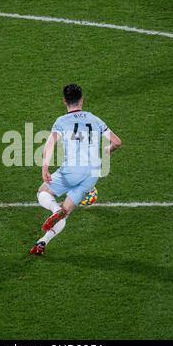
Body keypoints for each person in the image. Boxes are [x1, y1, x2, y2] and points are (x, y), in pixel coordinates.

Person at [30, 84, 122, 255]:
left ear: (64, 101)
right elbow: (117, 141)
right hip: (93, 175)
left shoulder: (61, 121)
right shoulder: (94, 119)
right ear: (82, 100)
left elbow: (48, 147)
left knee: (43, 192)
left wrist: (45, 166)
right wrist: (108, 150)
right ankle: (42, 242)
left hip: (72, 170)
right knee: (66, 213)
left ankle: (55, 209)